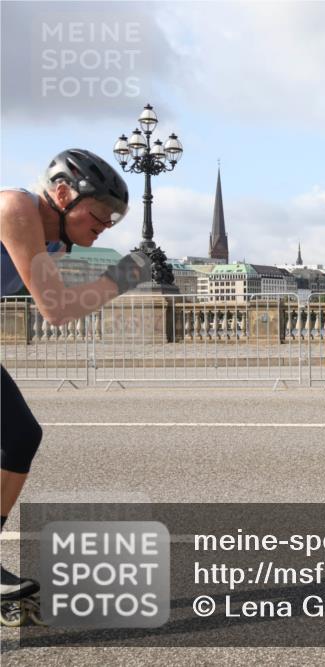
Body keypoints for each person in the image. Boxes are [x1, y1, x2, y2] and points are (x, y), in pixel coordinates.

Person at [0, 149, 151, 625]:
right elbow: (57, 310)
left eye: (114, 217)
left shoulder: (56, 245)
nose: (106, 224)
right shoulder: (14, 209)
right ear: (63, 193)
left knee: (20, 437)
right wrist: (122, 277)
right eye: (100, 212)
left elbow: (59, 304)